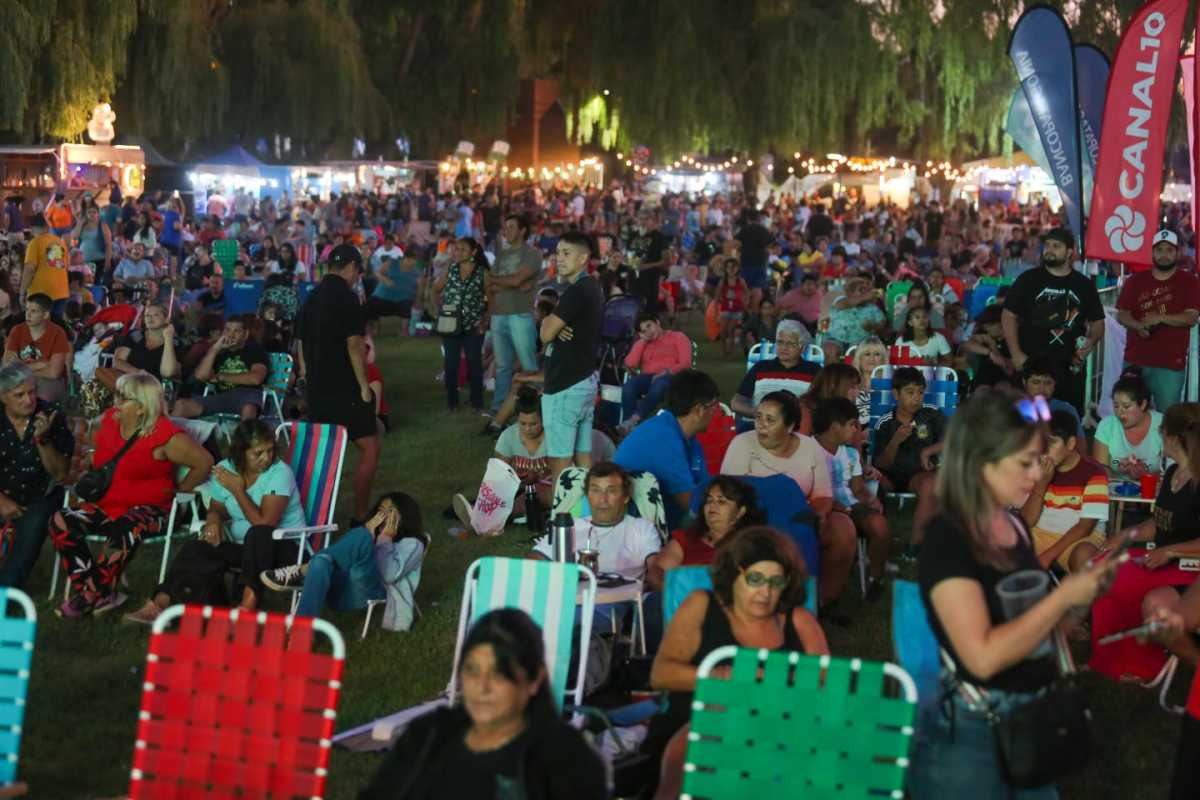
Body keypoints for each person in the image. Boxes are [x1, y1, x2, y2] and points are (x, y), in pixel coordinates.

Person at [909, 389, 1123, 798]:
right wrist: (1063, 597)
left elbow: (1033, 624)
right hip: (972, 736)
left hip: (1030, 719)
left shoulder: (1015, 528)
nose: (1037, 474)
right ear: (981, 462)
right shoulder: (950, 538)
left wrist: (1080, 603)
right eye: (1025, 463)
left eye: (1040, 461)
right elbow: (983, 656)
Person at [647, 526, 828, 800]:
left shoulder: (798, 621)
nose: (766, 592)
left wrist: (773, 684)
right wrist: (724, 677)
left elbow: (827, 687)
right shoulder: (701, 605)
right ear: (734, 575)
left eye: (776, 582)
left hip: (777, 729)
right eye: (755, 579)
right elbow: (661, 674)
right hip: (696, 720)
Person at [360, 607, 606, 800]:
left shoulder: (565, 758)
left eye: (500, 674)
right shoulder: (428, 736)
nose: (483, 687)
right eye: (472, 671)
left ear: (534, 680)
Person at [50, 372, 213, 619]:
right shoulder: (107, 423)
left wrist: (181, 491)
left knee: (127, 526)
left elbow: (204, 462)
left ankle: (88, 596)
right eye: (116, 394)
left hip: (153, 510)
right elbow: (99, 459)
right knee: (60, 520)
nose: (114, 401)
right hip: (108, 505)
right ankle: (100, 592)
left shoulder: (164, 435)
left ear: (141, 407)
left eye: (122, 397)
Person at [123, 419, 307, 622]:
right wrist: (213, 519)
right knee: (195, 548)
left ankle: (246, 609)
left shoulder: (280, 473)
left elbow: (264, 523)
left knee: (258, 533)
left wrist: (237, 489)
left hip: (287, 550)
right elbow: (218, 505)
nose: (266, 458)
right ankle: (159, 605)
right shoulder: (227, 468)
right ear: (241, 453)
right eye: (258, 453)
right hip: (246, 549)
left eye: (270, 450)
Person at [1090, 402, 1200, 681]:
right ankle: (1114, 660)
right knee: (1103, 568)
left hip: (1189, 567)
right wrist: (1127, 536)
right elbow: (1158, 522)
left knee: (1120, 581)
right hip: (1165, 558)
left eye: (1162, 433)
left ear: (1174, 439)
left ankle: (1141, 663)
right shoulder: (1173, 474)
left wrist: (1170, 550)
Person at [721, 390, 855, 605]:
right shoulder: (742, 444)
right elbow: (728, 494)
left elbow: (822, 495)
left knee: (842, 528)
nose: (761, 425)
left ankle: (824, 599)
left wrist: (819, 515)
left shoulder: (810, 447)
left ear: (791, 426)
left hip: (801, 513)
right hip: (756, 518)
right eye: (758, 417)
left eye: (770, 419)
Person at [258, 491, 428, 631]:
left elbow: (389, 575)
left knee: (359, 536)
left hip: (369, 591)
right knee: (321, 563)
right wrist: (370, 533)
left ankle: (302, 571)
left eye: (391, 511)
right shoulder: (369, 535)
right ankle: (301, 634)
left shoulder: (413, 543)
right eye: (381, 511)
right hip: (337, 591)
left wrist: (384, 539)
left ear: (405, 515)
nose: (384, 516)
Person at [296, 243, 379, 523]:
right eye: (358, 272)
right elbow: (355, 344)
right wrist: (364, 386)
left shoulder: (311, 297)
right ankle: (360, 514)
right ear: (353, 268)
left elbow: (300, 342)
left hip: (318, 386)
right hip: (344, 386)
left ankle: (312, 513)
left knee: (323, 451)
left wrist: (307, 376)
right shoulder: (347, 297)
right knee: (368, 446)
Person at [1002, 226, 1104, 415]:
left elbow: (1098, 323)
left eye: (1056, 246)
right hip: (1031, 364)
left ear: (1069, 252)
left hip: (1069, 367)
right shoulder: (1028, 279)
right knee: (1024, 423)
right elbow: (1008, 315)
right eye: (1047, 245)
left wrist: (1091, 341)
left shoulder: (1084, 285)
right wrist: (1015, 353)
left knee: (1065, 422)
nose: (1049, 250)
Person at [615, 369, 716, 530]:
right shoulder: (664, 438)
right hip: (636, 533)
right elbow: (692, 504)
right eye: (713, 406)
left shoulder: (688, 438)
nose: (715, 412)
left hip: (656, 522)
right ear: (699, 410)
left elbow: (706, 487)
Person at [0, 363, 72, 588]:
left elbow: (60, 473)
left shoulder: (50, 415)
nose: (28, 400)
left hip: (41, 495)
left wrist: (44, 441)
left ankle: (6, 595)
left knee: (34, 523)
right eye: (19, 395)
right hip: (2, 492)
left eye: (32, 392)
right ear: (3, 397)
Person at [540, 231, 604, 483]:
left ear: (583, 258)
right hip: (584, 381)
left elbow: (545, 334)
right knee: (583, 457)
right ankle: (588, 515)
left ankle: (562, 518)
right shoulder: (592, 287)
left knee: (560, 462)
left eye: (567, 254)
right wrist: (552, 324)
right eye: (558, 253)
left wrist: (549, 324)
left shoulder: (576, 291)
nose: (560, 259)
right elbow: (550, 328)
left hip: (565, 385)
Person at [813, 397, 891, 599]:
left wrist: (870, 499)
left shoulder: (850, 454)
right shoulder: (809, 450)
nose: (856, 430)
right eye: (851, 425)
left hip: (849, 505)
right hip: (820, 505)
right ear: (834, 427)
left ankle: (876, 579)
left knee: (879, 525)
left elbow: (857, 489)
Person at [1115, 229, 1200, 412]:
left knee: (1168, 416)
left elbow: (1191, 317)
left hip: (1170, 363)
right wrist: (1138, 325)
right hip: (1136, 359)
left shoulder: (1189, 281)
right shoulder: (1135, 281)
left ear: (1177, 253)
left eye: (1169, 250)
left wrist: (1159, 318)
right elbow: (1122, 314)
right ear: (1152, 252)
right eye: (1159, 250)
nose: (1164, 255)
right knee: (1129, 412)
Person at [1019, 407, 1109, 573]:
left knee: (1084, 556)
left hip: (1078, 540)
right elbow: (1026, 522)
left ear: (1071, 443)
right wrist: (1041, 484)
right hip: (1040, 533)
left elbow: (1084, 528)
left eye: (1051, 442)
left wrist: (1047, 556)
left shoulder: (1093, 473)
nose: (1043, 450)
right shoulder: (1035, 468)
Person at [873, 366, 943, 547]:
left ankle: (915, 546)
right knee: (873, 486)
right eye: (910, 392)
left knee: (930, 484)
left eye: (920, 392)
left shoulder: (931, 415)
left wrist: (929, 451)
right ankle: (880, 542)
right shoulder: (886, 422)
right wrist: (896, 440)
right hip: (890, 475)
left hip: (918, 474)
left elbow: (953, 439)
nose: (917, 397)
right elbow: (881, 464)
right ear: (896, 395)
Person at [649, 476, 766, 581]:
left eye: (722, 501)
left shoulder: (751, 544)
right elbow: (658, 572)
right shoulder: (685, 539)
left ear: (740, 512)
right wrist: (674, 593)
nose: (712, 505)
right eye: (709, 500)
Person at [487, 214, 542, 416]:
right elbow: (490, 282)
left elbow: (517, 281)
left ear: (522, 231)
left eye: (511, 227)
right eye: (505, 227)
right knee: (502, 365)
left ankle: (533, 405)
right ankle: (498, 406)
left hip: (520, 314)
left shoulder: (532, 254)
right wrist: (511, 282)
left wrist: (505, 282)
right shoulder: (501, 254)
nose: (506, 231)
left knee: (528, 364)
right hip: (499, 313)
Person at [171, 315, 268, 421]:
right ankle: (169, 437)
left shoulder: (254, 351)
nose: (231, 335)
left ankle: (243, 437)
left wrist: (221, 377)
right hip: (222, 397)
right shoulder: (219, 353)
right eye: (227, 330)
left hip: (247, 395)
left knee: (249, 408)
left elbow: (256, 379)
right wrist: (214, 349)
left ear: (245, 334)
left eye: (236, 331)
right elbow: (200, 376)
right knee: (181, 405)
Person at [434, 237, 490, 413]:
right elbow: (435, 290)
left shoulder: (482, 272)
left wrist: (485, 320)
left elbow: (491, 298)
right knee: (451, 364)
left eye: (463, 249)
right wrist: (440, 311)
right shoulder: (450, 269)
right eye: (457, 249)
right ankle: (452, 403)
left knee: (474, 363)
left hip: (473, 325)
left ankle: (477, 403)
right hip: (450, 325)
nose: (458, 252)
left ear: (473, 252)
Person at [730, 319, 821, 417]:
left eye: (790, 344)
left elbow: (822, 404)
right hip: (761, 424)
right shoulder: (761, 367)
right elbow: (736, 401)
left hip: (798, 427)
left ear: (802, 348)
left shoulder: (814, 371)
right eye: (780, 342)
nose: (784, 347)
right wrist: (753, 411)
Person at [620, 311, 692, 429]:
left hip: (672, 376)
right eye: (643, 331)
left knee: (660, 384)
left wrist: (666, 372)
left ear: (657, 322)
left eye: (649, 325)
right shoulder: (644, 343)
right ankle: (628, 427)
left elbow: (686, 363)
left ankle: (634, 419)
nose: (648, 331)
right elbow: (630, 363)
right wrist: (643, 341)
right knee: (629, 386)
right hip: (648, 377)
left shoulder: (677, 337)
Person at [1093, 370, 1163, 482]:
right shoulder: (1107, 426)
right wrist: (1120, 464)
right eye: (1116, 406)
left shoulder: (1162, 425)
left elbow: (1172, 471)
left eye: (1126, 406)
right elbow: (1102, 466)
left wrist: (1146, 474)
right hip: (1116, 492)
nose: (1120, 412)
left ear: (1143, 404)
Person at [3, 293, 70, 403]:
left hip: (49, 381)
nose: (28, 315)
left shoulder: (58, 333)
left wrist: (20, 367)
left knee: (38, 398)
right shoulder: (17, 330)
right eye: (27, 310)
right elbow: (7, 364)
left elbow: (54, 373)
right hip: (20, 377)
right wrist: (42, 364)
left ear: (45, 314)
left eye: (34, 311)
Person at [1020, 354, 1085, 452]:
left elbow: (1081, 451)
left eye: (1047, 383)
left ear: (1055, 384)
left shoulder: (1067, 410)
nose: (1041, 389)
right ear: (1024, 382)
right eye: (1036, 382)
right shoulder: (1012, 409)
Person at [104, 302, 179, 385]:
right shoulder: (135, 335)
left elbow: (168, 373)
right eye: (147, 315)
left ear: (166, 319)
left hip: (151, 389)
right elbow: (117, 361)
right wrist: (138, 372)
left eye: (156, 315)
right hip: (126, 383)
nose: (150, 318)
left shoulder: (175, 344)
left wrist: (168, 338)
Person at [825, 274, 887, 361]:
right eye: (861, 289)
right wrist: (866, 296)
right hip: (835, 338)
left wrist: (873, 327)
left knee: (857, 351)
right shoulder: (841, 301)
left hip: (860, 340)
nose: (865, 292)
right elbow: (849, 303)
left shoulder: (872, 308)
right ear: (850, 292)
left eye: (866, 290)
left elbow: (882, 324)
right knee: (831, 350)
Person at [20, 214, 69, 315]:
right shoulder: (60, 242)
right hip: (62, 291)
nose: (32, 231)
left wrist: (22, 292)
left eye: (33, 228)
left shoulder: (35, 243)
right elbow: (65, 267)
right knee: (56, 327)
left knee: (41, 328)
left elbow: (29, 269)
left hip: (41, 293)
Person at [715, 257, 749, 357]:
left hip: (737, 308)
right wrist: (717, 307)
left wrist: (745, 302)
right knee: (723, 330)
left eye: (733, 267)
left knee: (731, 329)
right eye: (728, 267)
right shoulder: (723, 281)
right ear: (725, 269)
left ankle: (730, 349)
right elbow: (717, 295)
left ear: (737, 269)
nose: (731, 270)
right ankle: (723, 350)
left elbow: (747, 292)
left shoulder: (741, 281)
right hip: (726, 308)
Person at [851, 336, 888, 424]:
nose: (872, 359)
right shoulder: (850, 383)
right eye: (867, 354)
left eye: (877, 354)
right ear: (859, 358)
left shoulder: (889, 385)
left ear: (883, 359)